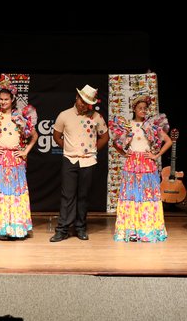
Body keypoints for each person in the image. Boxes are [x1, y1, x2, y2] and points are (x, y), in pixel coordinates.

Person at [0, 78, 38, 240]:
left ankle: (15, 228)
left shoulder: (20, 118)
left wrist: (25, 152)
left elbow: (34, 136)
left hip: (15, 161)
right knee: (1, 194)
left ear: (12, 100)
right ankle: (2, 228)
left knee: (14, 195)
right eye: (1, 99)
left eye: (6, 99)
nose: (3, 102)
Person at [50, 84, 109, 242]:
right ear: (77, 98)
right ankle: (62, 229)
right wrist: (68, 148)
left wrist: (93, 150)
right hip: (70, 159)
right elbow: (57, 136)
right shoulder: (64, 115)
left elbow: (105, 137)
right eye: (82, 101)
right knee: (67, 195)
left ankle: (80, 228)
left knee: (83, 196)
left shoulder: (96, 117)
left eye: (88, 103)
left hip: (88, 161)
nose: (84, 105)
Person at [109, 95, 172, 242]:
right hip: (131, 165)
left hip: (146, 165)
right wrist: (124, 153)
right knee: (131, 197)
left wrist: (156, 156)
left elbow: (168, 141)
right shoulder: (128, 125)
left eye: (145, 108)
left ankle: (147, 229)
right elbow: (115, 143)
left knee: (147, 197)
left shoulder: (151, 126)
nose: (143, 111)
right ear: (134, 109)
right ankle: (131, 230)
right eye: (140, 108)